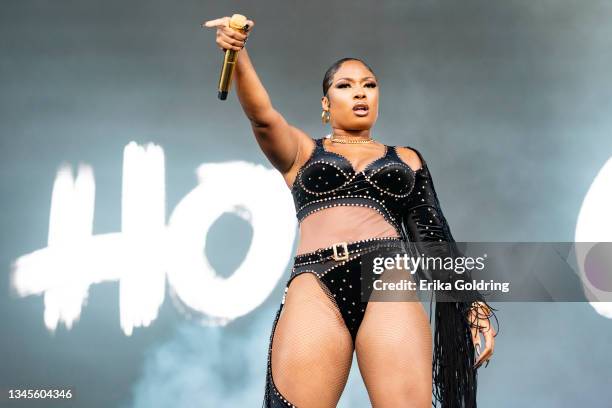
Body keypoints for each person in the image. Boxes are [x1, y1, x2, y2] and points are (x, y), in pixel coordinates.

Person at [203, 16, 498, 408]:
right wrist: (238, 55)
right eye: (345, 86)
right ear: (326, 104)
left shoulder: (406, 158)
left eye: (369, 85)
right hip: (318, 281)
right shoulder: (302, 152)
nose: (360, 93)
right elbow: (262, 115)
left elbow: (433, 235)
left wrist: (470, 302)